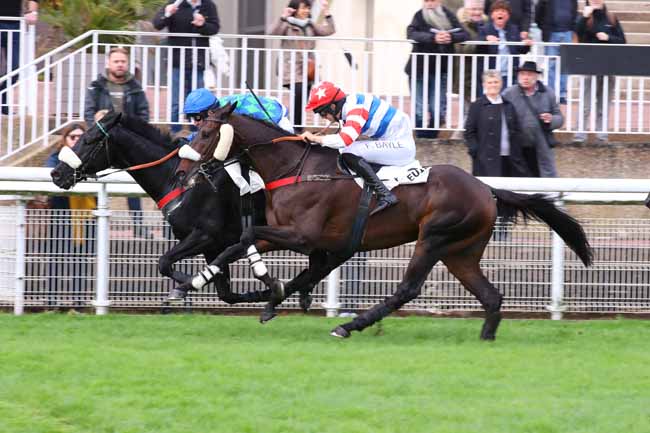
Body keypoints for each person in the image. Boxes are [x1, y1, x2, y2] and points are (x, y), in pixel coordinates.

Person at [300, 81, 416, 215]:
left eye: (323, 113)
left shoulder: (356, 108)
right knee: (345, 150)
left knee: (349, 151)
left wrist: (316, 139)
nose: (324, 118)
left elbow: (344, 140)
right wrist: (318, 140)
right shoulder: (349, 106)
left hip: (402, 148)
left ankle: (384, 194)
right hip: (392, 143)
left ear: (332, 106)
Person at [84, 47, 151, 238]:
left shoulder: (135, 87)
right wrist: (96, 129)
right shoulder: (96, 86)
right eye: (116, 61)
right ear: (108, 63)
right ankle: (94, 229)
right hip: (102, 144)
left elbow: (144, 115)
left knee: (133, 184)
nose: (120, 64)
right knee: (97, 183)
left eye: (123, 61)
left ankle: (139, 226)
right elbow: (89, 113)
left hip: (127, 144)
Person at [44, 123, 96, 301]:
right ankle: (51, 300)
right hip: (61, 216)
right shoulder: (56, 157)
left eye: (80, 137)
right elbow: (49, 174)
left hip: (85, 218)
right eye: (72, 137)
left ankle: (78, 300)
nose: (76, 140)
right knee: (56, 258)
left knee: (81, 260)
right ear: (65, 139)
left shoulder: (91, 157)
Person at [153, 0, 220, 134]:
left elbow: (214, 29)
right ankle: (174, 133)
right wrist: (167, 13)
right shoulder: (175, 4)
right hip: (177, 61)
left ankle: (198, 133)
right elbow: (158, 24)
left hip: (198, 63)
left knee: (199, 102)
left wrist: (203, 24)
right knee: (176, 102)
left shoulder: (208, 5)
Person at [269, 0, 335, 132]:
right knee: (299, 91)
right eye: (303, 8)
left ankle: (296, 125)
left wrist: (327, 13)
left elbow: (329, 30)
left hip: (307, 69)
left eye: (308, 8)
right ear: (295, 9)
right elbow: (273, 33)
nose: (306, 11)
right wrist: (284, 16)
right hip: (290, 67)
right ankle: (295, 127)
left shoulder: (310, 25)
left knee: (306, 94)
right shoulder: (287, 24)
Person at [405, 0, 469, 139]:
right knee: (419, 108)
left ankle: (431, 137)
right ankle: (421, 138)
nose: (429, 3)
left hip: (441, 70)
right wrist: (433, 38)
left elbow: (464, 34)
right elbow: (411, 34)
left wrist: (450, 37)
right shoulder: (419, 16)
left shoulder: (448, 15)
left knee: (437, 108)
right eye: (426, 0)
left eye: (432, 0)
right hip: (419, 69)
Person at [573, 0, 625, 143]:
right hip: (589, 67)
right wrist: (584, 17)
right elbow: (577, 35)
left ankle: (601, 136)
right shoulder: (585, 17)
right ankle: (580, 136)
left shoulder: (611, 18)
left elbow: (623, 41)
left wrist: (609, 38)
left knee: (604, 104)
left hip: (609, 67)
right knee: (585, 104)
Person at [502, 60, 563, 177]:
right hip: (516, 147)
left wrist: (551, 119)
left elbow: (559, 118)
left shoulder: (547, 93)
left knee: (542, 179)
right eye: (522, 74)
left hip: (540, 147)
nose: (525, 78)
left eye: (529, 74)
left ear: (536, 77)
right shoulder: (509, 93)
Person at [464, 70, 529, 177]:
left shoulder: (508, 105)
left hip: (509, 158)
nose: (493, 85)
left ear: (501, 83)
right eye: (490, 82)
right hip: (485, 160)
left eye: (496, 82)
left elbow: (517, 130)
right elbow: (469, 132)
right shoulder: (477, 105)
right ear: (484, 84)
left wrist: (517, 150)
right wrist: (475, 151)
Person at [182, 88, 294, 142]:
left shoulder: (228, 114)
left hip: (278, 126)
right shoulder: (218, 111)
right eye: (191, 118)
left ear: (209, 112)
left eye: (197, 117)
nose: (195, 122)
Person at [451, 0, 489, 139]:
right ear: (466, 10)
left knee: (474, 110)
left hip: (481, 76)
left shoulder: (485, 25)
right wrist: (482, 40)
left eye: (479, 9)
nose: (477, 12)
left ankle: (465, 138)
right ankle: (456, 139)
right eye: (473, 9)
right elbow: (461, 48)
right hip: (465, 75)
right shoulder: (461, 26)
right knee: (470, 111)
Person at [477, 0, 532, 86]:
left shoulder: (514, 29)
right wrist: (486, 39)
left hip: (509, 74)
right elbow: (478, 47)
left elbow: (522, 50)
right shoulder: (485, 29)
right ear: (492, 15)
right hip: (491, 75)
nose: (500, 13)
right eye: (497, 11)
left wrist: (526, 44)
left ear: (508, 16)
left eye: (503, 11)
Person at [535, 0, 577, 105]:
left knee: (565, 65)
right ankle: (551, 94)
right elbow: (538, 14)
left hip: (567, 33)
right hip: (551, 34)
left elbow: (574, 13)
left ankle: (562, 94)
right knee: (551, 65)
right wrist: (545, 29)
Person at [0, 0, 38, 115]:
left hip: (15, 24)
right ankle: (4, 105)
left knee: (15, 69)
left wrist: (32, 12)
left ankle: (3, 99)